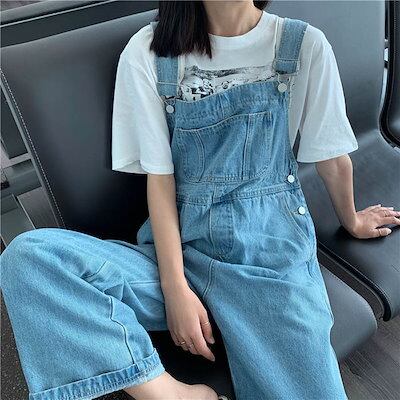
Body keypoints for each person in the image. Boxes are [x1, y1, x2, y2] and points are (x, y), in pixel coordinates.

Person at [2, 1, 400, 400]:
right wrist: (175, 289)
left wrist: (351, 219)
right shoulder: (149, 51)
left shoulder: (302, 44)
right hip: (179, 253)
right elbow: (160, 182)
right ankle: (173, 395)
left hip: (268, 262)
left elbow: (333, 158)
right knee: (31, 259)